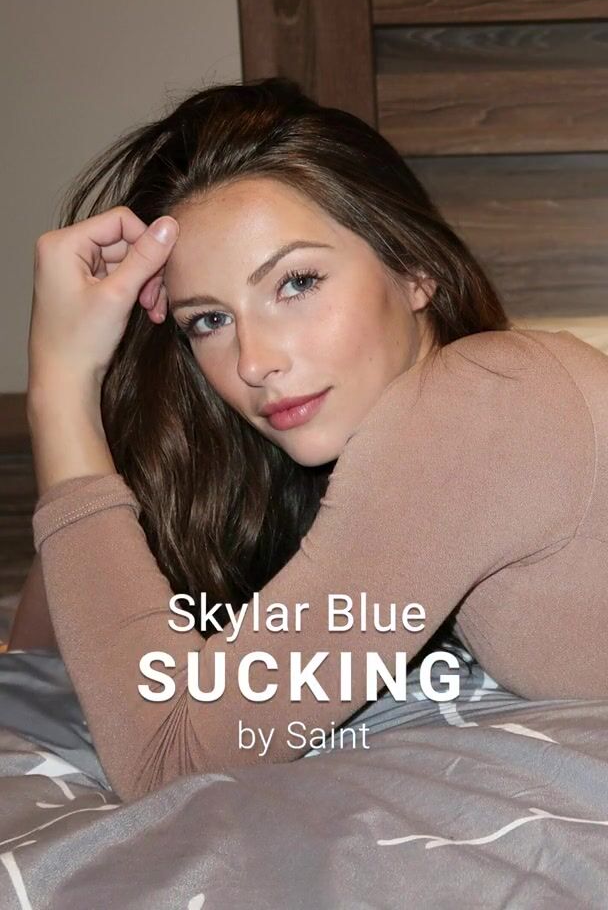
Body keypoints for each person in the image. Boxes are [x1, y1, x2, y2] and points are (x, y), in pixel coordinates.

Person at [8, 77, 607, 804]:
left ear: (413, 268)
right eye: (209, 320)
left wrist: (60, 384)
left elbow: (169, 761)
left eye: (296, 282)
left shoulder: (487, 399)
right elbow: (33, 661)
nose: (254, 361)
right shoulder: (401, 446)